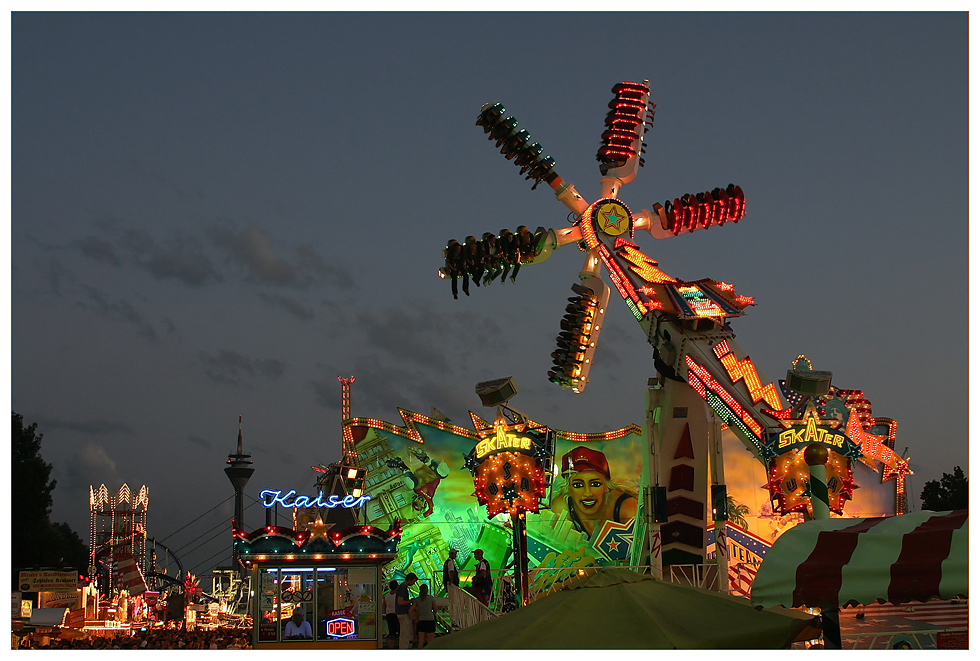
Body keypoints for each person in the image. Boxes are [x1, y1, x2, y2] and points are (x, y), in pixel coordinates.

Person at [551, 447, 638, 538]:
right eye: (578, 485)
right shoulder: (562, 508)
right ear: (569, 489)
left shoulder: (627, 507)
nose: (588, 493)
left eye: (595, 484)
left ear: (606, 486)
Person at [413, 583, 446, 648]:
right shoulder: (431, 598)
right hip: (430, 620)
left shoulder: (417, 600)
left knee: (421, 641)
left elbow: (415, 610)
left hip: (421, 620)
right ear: (427, 590)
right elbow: (435, 610)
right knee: (430, 640)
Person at [395, 572, 418, 649]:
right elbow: (400, 602)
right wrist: (410, 601)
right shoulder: (403, 588)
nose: (413, 583)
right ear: (410, 580)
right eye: (413, 581)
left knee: (405, 634)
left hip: (401, 613)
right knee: (405, 634)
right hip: (403, 613)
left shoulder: (401, 587)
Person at [382, 579, 399, 649]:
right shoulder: (398, 595)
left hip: (389, 614)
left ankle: (391, 648)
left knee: (391, 632)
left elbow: (384, 605)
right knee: (400, 631)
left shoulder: (387, 595)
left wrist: (386, 612)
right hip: (397, 614)